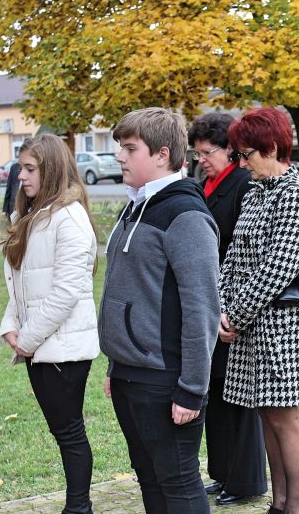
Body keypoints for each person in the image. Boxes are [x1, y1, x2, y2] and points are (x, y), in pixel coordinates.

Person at [100, 107, 220, 514]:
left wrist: (192, 389)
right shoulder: (136, 206)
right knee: (149, 476)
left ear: (162, 154)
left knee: (178, 481)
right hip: (131, 373)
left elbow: (203, 308)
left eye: (130, 148)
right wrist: (117, 365)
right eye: (121, 147)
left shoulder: (185, 215)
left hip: (166, 378)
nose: (120, 156)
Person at [219, 107, 299, 514]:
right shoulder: (256, 193)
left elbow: (276, 270)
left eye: (246, 155)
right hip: (251, 325)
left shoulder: (294, 196)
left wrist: (234, 315)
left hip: (283, 329)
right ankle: (278, 504)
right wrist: (222, 309)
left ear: (273, 147)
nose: (242, 164)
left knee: (284, 418)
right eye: (238, 155)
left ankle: (296, 507)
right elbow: (232, 258)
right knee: (266, 417)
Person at [0, 134, 100, 514]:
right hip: (41, 346)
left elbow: (66, 292)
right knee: (63, 431)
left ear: (52, 169)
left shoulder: (69, 218)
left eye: (30, 169)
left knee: (69, 432)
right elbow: (20, 283)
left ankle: (78, 508)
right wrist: (11, 324)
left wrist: (26, 339)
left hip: (62, 349)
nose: (21, 176)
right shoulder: (31, 216)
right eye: (20, 168)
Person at [187, 113, 267, 506]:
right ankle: (222, 473)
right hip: (208, 303)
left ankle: (246, 480)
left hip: (233, 307)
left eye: (208, 152)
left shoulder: (242, 184)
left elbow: (243, 252)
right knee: (215, 392)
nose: (202, 159)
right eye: (197, 153)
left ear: (230, 150)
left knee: (238, 397)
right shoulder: (203, 186)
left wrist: (234, 310)